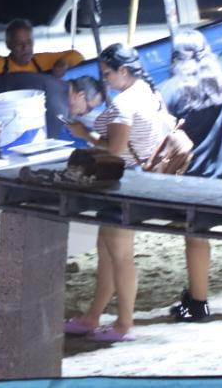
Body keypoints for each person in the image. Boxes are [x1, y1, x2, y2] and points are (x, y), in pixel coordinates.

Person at [63, 43, 169, 343]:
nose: (105, 79)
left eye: (108, 73)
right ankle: (93, 316)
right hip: (137, 179)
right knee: (108, 251)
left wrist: (85, 135)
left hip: (122, 181)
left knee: (119, 255)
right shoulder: (149, 93)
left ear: (123, 71)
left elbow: (115, 150)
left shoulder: (124, 104)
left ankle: (124, 324)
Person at [159, 29, 222, 323]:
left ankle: (198, 304)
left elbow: (162, 137)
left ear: (176, 58)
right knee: (201, 239)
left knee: (195, 240)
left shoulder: (171, 90)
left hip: (191, 177)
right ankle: (194, 297)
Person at [0, 18, 84, 80]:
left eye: (29, 42)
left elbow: (77, 56)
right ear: (9, 45)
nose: (26, 48)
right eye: (19, 44)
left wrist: (63, 63)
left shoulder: (41, 60)